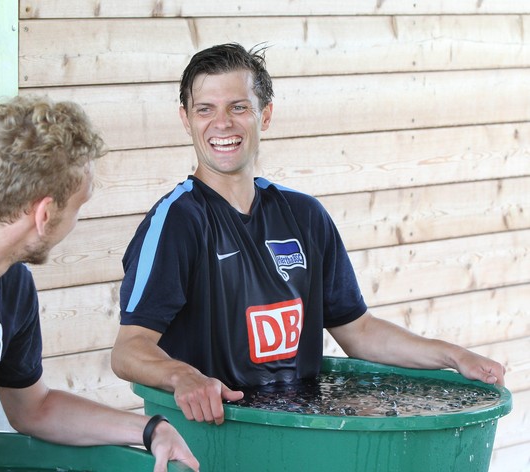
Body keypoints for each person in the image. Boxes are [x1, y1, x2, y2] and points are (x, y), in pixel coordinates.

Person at [111, 43, 506, 427]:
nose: (222, 123)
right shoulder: (176, 222)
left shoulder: (304, 216)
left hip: (298, 435)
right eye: (205, 110)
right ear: (186, 119)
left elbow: (359, 332)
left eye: (239, 107)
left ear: (265, 115)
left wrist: (454, 357)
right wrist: (183, 377)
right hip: (213, 435)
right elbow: (129, 350)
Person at [0, 95, 199, 472]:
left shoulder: (10, 287)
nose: (77, 222)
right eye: (79, 206)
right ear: (45, 213)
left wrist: (149, 429)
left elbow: (34, 409)